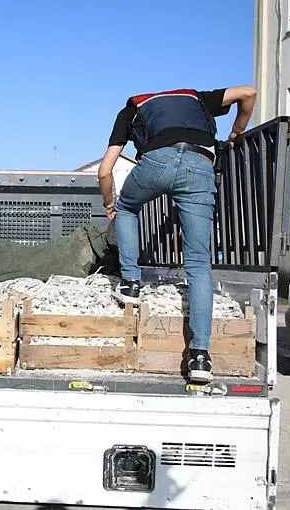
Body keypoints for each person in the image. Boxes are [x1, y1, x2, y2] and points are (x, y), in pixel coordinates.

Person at [98, 86, 257, 382]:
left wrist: (110, 204)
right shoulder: (198, 99)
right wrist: (237, 132)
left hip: (156, 164)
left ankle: (131, 282)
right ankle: (200, 357)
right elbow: (249, 93)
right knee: (198, 262)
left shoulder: (131, 109)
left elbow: (105, 171)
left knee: (127, 208)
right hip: (200, 165)